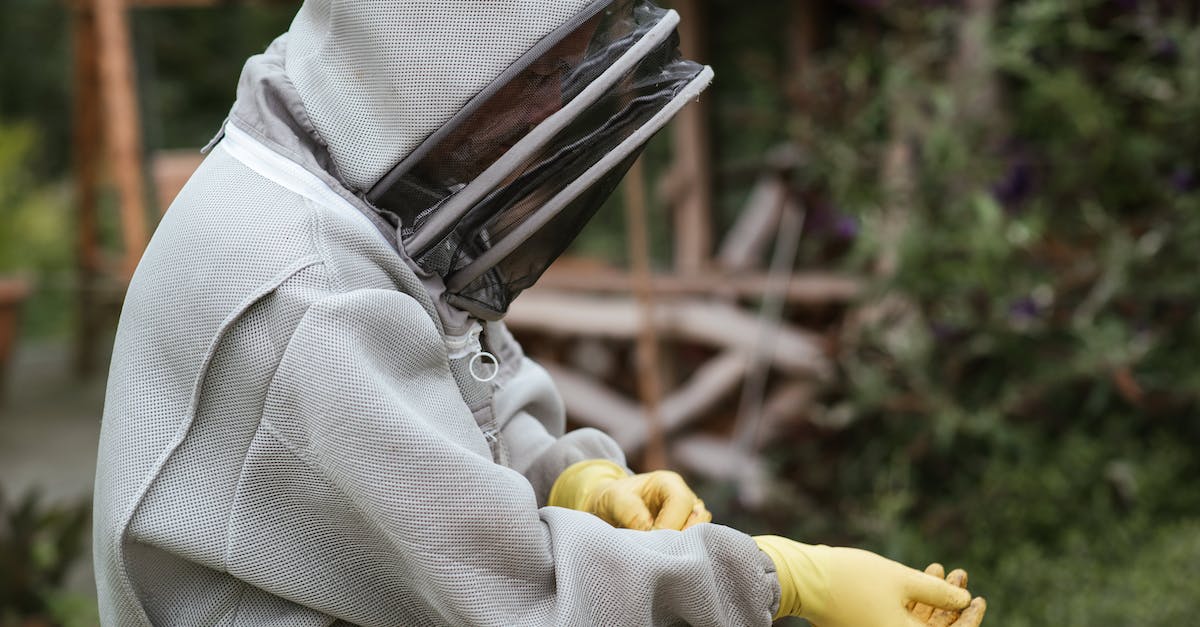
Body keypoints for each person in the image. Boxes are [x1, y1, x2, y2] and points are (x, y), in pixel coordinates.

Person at [92, 0, 988, 625]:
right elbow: (521, 599)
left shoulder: (342, 171)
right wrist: (786, 579)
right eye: (545, 70)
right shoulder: (307, 300)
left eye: (578, 57)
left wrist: (566, 475)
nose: (565, 100)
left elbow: (447, 393)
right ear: (447, 54)